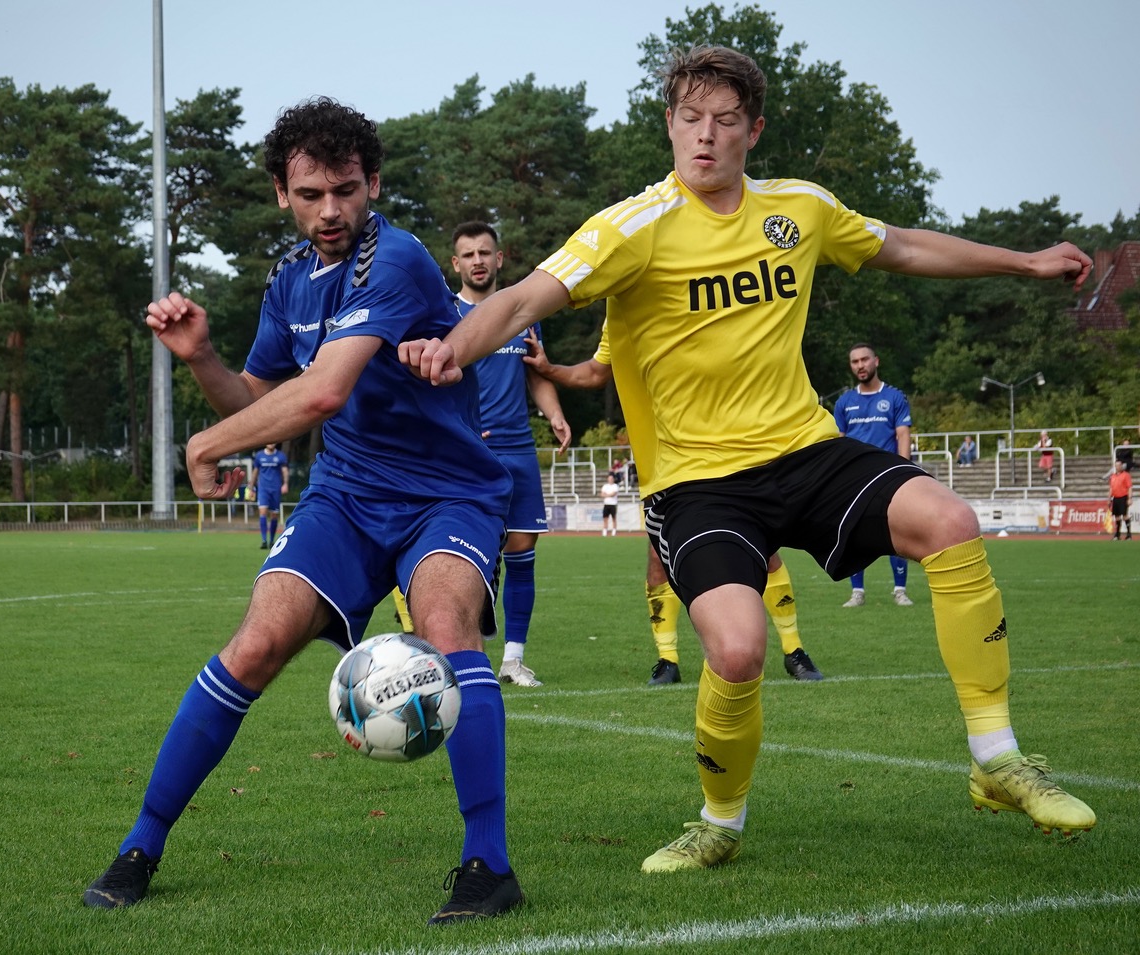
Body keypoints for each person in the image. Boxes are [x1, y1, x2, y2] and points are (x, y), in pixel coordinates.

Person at [401, 44, 1096, 873]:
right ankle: (718, 821)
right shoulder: (632, 227)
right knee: (736, 648)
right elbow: (524, 298)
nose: (705, 137)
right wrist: (455, 348)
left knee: (949, 518)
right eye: (690, 119)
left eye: (725, 122)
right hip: (697, 483)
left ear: (753, 131)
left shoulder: (799, 210)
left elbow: (902, 246)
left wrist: (1023, 261)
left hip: (804, 449)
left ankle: (997, 757)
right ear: (669, 124)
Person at [83, 97, 523, 925]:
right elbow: (259, 396)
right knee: (253, 644)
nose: (332, 211)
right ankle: (141, 843)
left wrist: (208, 445)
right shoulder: (289, 279)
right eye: (312, 193)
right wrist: (204, 357)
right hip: (346, 496)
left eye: (347, 190)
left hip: (446, 494)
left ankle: (488, 863)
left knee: (446, 627)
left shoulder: (395, 260)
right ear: (283, 194)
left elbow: (320, 393)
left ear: (374, 184)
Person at [525, 325, 823, 683]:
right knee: (657, 556)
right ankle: (668, 660)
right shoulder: (620, 312)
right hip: (661, 458)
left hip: (724, 444)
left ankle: (794, 651)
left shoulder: (698, 291)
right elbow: (594, 371)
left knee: (763, 549)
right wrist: (549, 368)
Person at [452, 220, 571, 687]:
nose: (478, 260)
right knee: (462, 555)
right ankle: (463, 655)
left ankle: (513, 660)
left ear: (499, 259)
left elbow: (536, 372)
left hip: (518, 448)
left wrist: (555, 414)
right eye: (469, 254)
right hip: (466, 454)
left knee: (522, 551)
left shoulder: (522, 312)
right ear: (456, 263)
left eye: (486, 252)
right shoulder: (445, 313)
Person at [833, 343, 915, 608]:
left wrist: (904, 472)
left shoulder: (894, 397)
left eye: (864, 360)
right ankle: (857, 592)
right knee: (854, 536)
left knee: (897, 534)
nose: (860, 365)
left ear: (876, 361)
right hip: (854, 479)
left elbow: (903, 435)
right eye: (855, 361)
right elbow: (839, 441)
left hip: (888, 476)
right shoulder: (845, 402)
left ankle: (900, 590)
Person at [249, 441, 289, 548]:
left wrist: (285, 484)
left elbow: (284, 471)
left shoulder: (280, 456)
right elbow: (255, 472)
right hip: (263, 489)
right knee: (262, 512)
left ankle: (271, 541)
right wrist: (251, 487)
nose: (271, 443)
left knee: (274, 515)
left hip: (275, 489)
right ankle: (263, 540)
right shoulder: (259, 456)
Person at [1108, 459, 1133, 540]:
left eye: (1119, 465)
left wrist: (1129, 498)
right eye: (1116, 465)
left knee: (1125, 515)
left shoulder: (1126, 475)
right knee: (1117, 516)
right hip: (1115, 498)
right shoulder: (1113, 476)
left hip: (1123, 497)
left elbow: (1129, 487)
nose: (1117, 467)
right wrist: (1109, 498)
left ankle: (1129, 534)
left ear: (1122, 466)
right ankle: (1117, 534)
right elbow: (1111, 488)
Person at [600, 470, 620, 536]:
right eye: (609, 478)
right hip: (606, 504)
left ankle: (614, 531)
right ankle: (605, 531)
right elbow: (602, 494)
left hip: (613, 504)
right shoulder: (605, 486)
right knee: (605, 518)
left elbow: (613, 494)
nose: (610, 480)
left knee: (614, 518)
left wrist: (606, 495)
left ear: (613, 479)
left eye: (611, 478)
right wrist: (608, 495)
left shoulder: (615, 486)